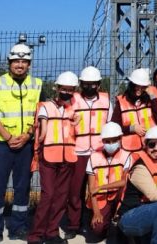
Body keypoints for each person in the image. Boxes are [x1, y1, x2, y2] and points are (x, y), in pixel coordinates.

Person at [0, 43, 44, 244]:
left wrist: (27, 136)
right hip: (1, 145)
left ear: (29, 64)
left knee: (23, 187)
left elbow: (41, 116)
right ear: (9, 62)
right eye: (16, 61)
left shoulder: (37, 85)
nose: (20, 65)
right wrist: (9, 138)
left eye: (24, 62)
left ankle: (18, 228)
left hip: (26, 145)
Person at [28, 71, 80, 244]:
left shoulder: (75, 109)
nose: (66, 92)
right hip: (49, 156)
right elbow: (42, 130)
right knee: (48, 195)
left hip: (68, 158)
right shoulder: (45, 107)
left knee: (61, 196)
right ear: (57, 88)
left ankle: (51, 233)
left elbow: (78, 133)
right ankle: (36, 235)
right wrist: (39, 138)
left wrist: (76, 124)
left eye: (70, 90)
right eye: (64, 89)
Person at [63, 65, 111, 239]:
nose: (89, 87)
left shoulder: (106, 101)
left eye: (93, 84)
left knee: (97, 189)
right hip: (79, 151)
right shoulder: (73, 100)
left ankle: (95, 221)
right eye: (86, 84)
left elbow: (111, 125)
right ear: (81, 84)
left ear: (98, 85)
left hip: (98, 152)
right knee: (75, 190)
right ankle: (73, 224)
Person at [85, 122, 132, 242]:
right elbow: (92, 188)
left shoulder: (126, 156)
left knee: (125, 228)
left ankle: (115, 224)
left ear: (120, 139)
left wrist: (101, 187)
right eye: (107, 141)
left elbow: (123, 182)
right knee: (97, 228)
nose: (111, 144)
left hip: (119, 198)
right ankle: (104, 225)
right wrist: (96, 213)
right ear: (103, 141)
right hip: (101, 200)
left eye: (114, 140)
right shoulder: (94, 157)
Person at [112, 68, 157, 154]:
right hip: (130, 150)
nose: (139, 88)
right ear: (131, 84)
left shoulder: (149, 99)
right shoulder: (121, 101)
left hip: (149, 148)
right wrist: (132, 128)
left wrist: (151, 95)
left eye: (143, 86)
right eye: (137, 85)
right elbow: (114, 126)